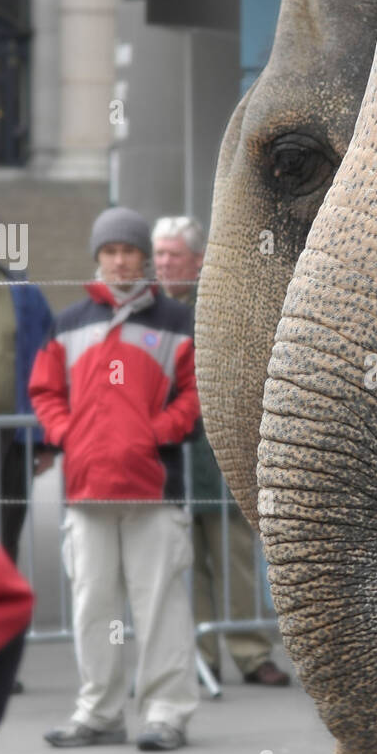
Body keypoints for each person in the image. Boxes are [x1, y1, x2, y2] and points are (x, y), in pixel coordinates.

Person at [30, 207, 201, 749]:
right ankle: (99, 713)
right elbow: (44, 392)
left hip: (155, 488)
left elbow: (199, 397)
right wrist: (68, 433)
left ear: (143, 258)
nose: (120, 260)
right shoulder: (69, 322)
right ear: (98, 258)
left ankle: (166, 713)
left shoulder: (176, 322)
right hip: (87, 489)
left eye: (129, 251)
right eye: (110, 251)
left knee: (160, 606)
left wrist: (156, 432)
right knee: (92, 605)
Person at [152, 216, 289, 687]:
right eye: (160, 255)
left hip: (220, 453)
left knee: (234, 558)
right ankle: (201, 654)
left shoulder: (224, 307)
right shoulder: (148, 312)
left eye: (173, 255)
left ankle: (251, 653)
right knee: (185, 561)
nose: (164, 264)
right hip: (169, 459)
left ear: (198, 259)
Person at [0, 204, 53, 700]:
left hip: (8, 441)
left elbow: (47, 365)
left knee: (1, 553)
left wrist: (46, 436)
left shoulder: (21, 294)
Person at [0, 526, 34, 748]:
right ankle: (102, 706)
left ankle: (155, 708)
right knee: (103, 609)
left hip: (143, 506)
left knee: (116, 620)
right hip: (90, 505)